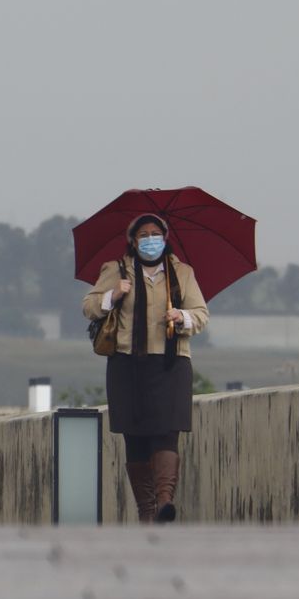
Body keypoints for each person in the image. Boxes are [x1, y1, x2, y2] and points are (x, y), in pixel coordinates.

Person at [82, 214, 209, 523]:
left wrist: (181, 317)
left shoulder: (182, 273)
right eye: (144, 235)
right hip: (128, 364)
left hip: (171, 363)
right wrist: (114, 295)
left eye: (156, 234)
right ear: (133, 240)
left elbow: (201, 314)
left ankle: (165, 500)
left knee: (167, 433)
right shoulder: (116, 270)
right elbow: (89, 306)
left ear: (165, 238)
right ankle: (147, 511)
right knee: (136, 438)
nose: (150, 239)